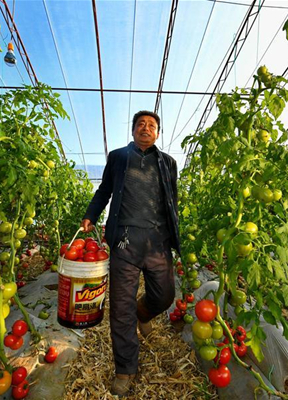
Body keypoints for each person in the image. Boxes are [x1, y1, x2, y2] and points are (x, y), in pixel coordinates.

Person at [81, 110, 181, 396]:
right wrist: (91, 214)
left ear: (158, 133)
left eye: (151, 125)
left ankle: (144, 313)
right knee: (121, 307)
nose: (145, 128)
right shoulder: (118, 157)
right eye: (140, 124)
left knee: (164, 295)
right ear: (133, 130)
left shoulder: (168, 163)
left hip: (157, 240)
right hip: (124, 240)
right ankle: (125, 368)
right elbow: (104, 191)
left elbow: (171, 200)